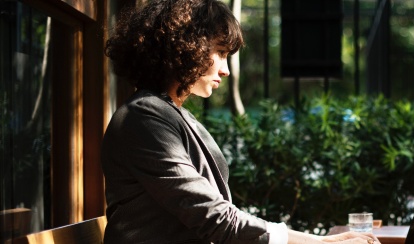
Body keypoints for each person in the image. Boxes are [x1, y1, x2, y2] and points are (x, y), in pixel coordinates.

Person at [102, 0, 380, 243]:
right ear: (187, 46)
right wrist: (319, 243)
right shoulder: (145, 117)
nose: (225, 70)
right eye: (220, 53)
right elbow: (213, 216)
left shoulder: (168, 113)